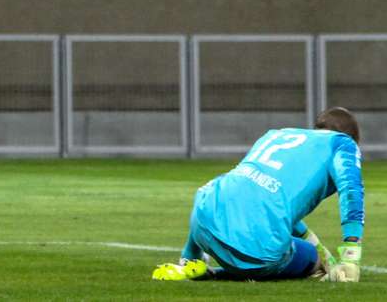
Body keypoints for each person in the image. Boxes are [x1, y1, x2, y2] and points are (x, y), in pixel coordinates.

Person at [152, 107, 364, 283]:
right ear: (354, 139)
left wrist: (322, 248)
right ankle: (217, 274)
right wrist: (349, 257)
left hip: (202, 223)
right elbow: (351, 191)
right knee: (310, 259)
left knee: (220, 191)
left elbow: (264, 197)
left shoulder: (276, 134)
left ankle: (189, 261)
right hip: (255, 248)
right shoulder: (342, 143)